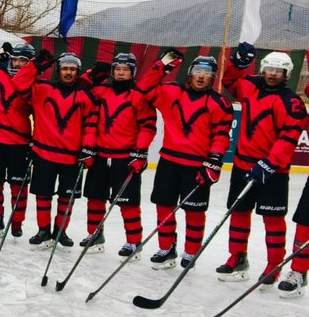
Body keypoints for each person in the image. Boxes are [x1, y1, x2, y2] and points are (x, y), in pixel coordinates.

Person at [216, 45, 307, 285]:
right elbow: (230, 81)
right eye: (270, 69)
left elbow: (289, 136)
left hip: (274, 171)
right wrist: (239, 63)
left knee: (272, 219)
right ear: (263, 69)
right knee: (239, 212)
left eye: (279, 70)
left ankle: (273, 265)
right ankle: (237, 257)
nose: (274, 74)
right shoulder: (250, 86)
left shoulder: (293, 102)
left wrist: (270, 163)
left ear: (287, 74)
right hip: (243, 165)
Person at [138, 52, 233, 269]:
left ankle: (191, 252)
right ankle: (166, 248)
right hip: (169, 161)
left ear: (213, 77)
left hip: (197, 165)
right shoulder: (172, 91)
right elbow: (144, 88)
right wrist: (161, 66)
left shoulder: (221, 104)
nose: (201, 77)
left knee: (195, 212)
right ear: (190, 73)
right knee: (164, 206)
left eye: (207, 73)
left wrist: (215, 159)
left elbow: (220, 135)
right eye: (198, 71)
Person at [11, 51, 97, 248]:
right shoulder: (42, 88)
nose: (68, 72)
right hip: (44, 153)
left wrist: (89, 149)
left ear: (78, 72)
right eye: (65, 68)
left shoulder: (86, 96)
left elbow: (91, 124)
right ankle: (43, 230)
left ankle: (60, 231)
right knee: (43, 195)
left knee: (66, 198)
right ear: (58, 70)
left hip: (72, 157)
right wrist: (35, 65)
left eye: (72, 69)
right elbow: (17, 84)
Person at [78, 53, 157, 258]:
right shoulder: (102, 90)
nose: (121, 73)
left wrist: (140, 152)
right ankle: (95, 234)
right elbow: (80, 88)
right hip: (101, 154)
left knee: (127, 203)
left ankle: (133, 242)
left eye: (126, 69)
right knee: (95, 198)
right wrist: (92, 74)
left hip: (126, 157)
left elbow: (148, 127)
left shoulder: (140, 95)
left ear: (133, 72)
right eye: (117, 69)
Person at [0, 42, 33, 238]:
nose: (17, 64)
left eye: (23, 61)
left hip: (19, 143)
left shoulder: (33, 83)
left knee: (18, 186)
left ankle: (16, 222)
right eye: (15, 59)